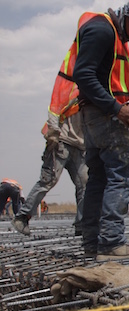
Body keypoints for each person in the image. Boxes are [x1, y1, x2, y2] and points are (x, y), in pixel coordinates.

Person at [74, 0, 129, 260]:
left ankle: (93, 244)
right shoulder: (103, 30)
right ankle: (111, 242)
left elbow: (115, 78)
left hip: (98, 117)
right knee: (123, 177)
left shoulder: (113, 34)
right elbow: (84, 75)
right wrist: (117, 109)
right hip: (106, 118)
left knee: (99, 179)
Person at [12, 49, 89, 237]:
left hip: (79, 147)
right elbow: (54, 109)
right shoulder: (71, 89)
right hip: (61, 142)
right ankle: (22, 217)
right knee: (48, 181)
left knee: (85, 184)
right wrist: (53, 135)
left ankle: (81, 224)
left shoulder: (95, 92)